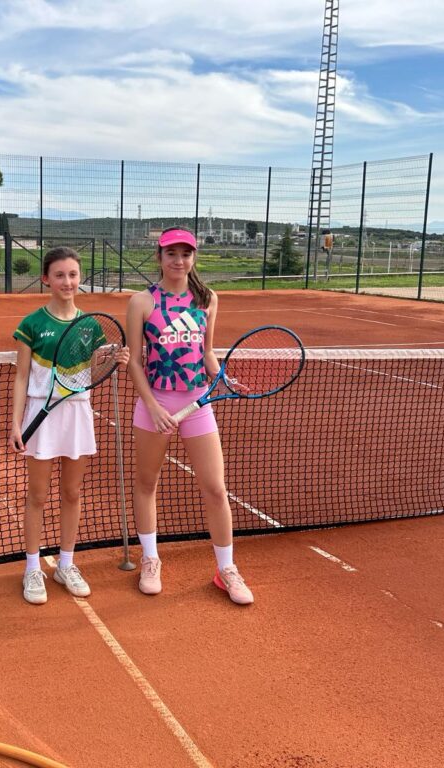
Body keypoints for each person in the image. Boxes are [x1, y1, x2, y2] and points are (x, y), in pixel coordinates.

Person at [125, 227, 254, 605]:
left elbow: (207, 353)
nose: (178, 261)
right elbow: (134, 360)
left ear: (193, 257)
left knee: (215, 488)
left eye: (185, 254)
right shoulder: (141, 303)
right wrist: (151, 405)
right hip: (156, 403)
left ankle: (225, 569)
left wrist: (224, 378)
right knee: (146, 484)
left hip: (198, 403)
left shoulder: (207, 299)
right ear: (159, 257)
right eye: (171, 254)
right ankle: (151, 559)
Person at [10, 247, 129, 605]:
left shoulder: (90, 326)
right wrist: (15, 423)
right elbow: (20, 378)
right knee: (38, 495)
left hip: (77, 414)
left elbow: (88, 378)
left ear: (80, 279)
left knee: (73, 493)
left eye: (73, 275)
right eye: (60, 275)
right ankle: (33, 567)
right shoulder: (32, 324)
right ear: (46, 279)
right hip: (39, 415)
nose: (67, 281)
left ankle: (65, 563)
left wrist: (112, 361)